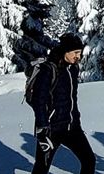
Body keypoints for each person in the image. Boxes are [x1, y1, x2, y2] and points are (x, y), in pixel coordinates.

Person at [30, 33, 96, 174]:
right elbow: (39, 100)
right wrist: (42, 128)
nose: (78, 56)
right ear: (66, 51)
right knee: (42, 167)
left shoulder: (72, 69)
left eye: (80, 53)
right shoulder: (49, 69)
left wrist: (76, 121)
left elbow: (72, 99)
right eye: (75, 53)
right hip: (51, 129)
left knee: (89, 160)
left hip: (71, 127)